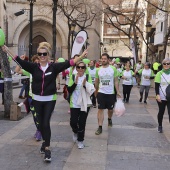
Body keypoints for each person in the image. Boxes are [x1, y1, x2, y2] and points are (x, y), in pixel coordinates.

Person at [3, 42, 88, 162]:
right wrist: (7, 50)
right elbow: (18, 61)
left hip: (50, 99)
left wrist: (82, 56)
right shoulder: (33, 67)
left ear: (48, 55)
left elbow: (70, 62)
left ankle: (47, 148)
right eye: (40, 54)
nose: (42, 56)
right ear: (37, 55)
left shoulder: (54, 67)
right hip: (37, 99)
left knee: (46, 122)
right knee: (40, 123)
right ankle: (44, 143)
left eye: (44, 54)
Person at [67, 61, 94, 149]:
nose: (80, 69)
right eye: (78, 67)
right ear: (76, 68)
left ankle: (80, 140)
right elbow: (69, 90)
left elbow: (91, 91)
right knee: (73, 122)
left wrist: (84, 85)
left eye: (82, 67)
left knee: (82, 123)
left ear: (85, 69)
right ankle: (75, 131)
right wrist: (75, 83)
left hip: (84, 103)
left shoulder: (87, 76)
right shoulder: (73, 76)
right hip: (74, 103)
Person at [15, 55, 42, 141]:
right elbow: (17, 70)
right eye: (35, 62)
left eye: (38, 62)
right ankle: (38, 129)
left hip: (40, 97)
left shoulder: (44, 71)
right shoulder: (30, 72)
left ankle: (40, 130)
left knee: (39, 115)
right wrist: (21, 61)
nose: (37, 63)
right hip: (31, 97)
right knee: (34, 115)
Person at [95, 53, 121, 135]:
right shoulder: (98, 70)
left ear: (108, 60)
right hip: (101, 92)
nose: (103, 60)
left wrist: (118, 91)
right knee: (100, 109)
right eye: (102, 59)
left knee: (110, 110)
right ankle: (100, 127)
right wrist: (96, 92)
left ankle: (109, 119)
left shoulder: (113, 69)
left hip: (111, 93)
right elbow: (96, 82)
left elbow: (116, 81)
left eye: (105, 59)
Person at [155, 58, 170, 133]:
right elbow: (156, 86)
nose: (166, 65)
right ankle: (160, 125)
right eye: (165, 64)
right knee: (161, 112)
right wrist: (158, 95)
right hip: (162, 97)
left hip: (169, 97)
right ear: (162, 65)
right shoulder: (159, 74)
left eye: (168, 63)